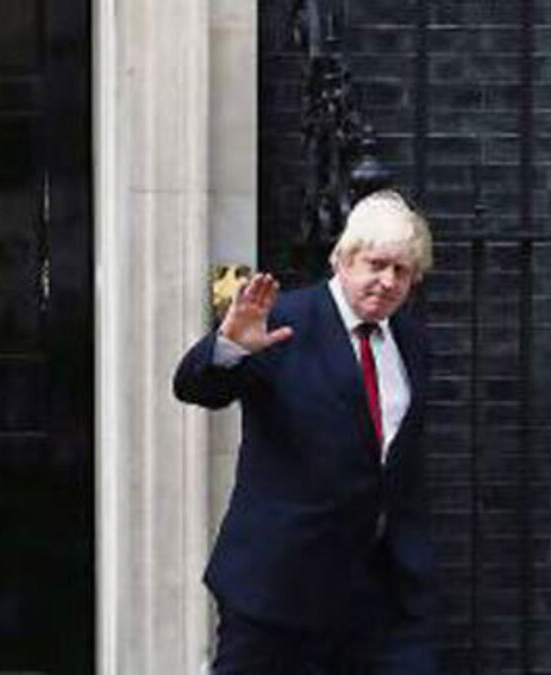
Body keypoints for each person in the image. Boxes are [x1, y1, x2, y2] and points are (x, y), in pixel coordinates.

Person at [173, 190, 438, 674]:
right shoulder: (282, 322)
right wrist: (229, 347)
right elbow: (196, 387)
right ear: (343, 258)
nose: (387, 281)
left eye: (401, 271)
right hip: (279, 588)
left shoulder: (411, 340)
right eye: (376, 264)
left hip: (378, 594)